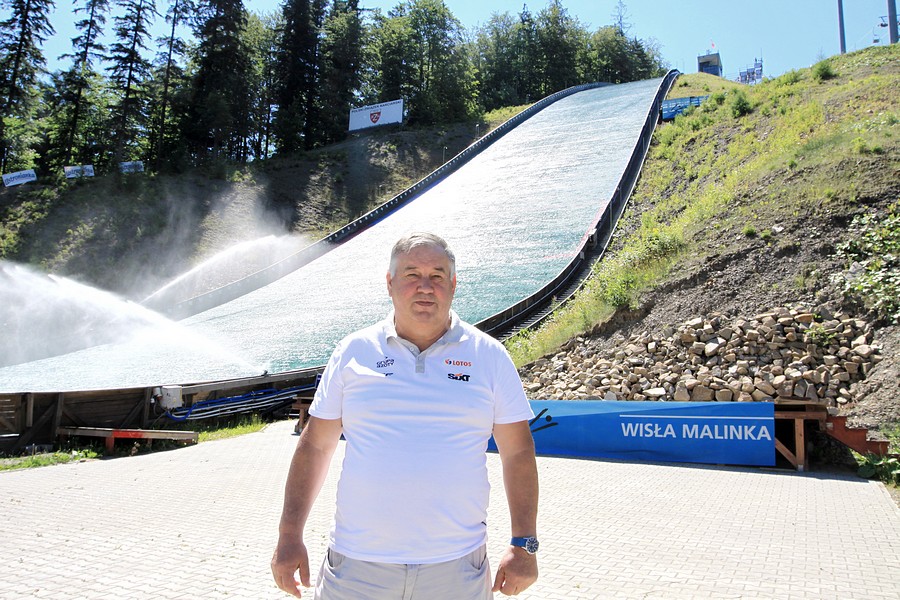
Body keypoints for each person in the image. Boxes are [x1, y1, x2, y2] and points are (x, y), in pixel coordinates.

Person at [272, 232, 539, 599]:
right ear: (390, 283)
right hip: (357, 567)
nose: (425, 287)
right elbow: (317, 446)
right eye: (412, 275)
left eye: (438, 276)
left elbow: (518, 452)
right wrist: (289, 535)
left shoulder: (489, 356)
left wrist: (524, 544)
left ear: (454, 284)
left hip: (456, 567)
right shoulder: (354, 351)